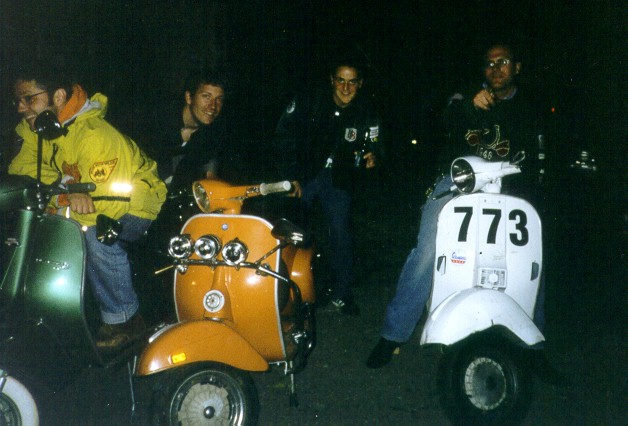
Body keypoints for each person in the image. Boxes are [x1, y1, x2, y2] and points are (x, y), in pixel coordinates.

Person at [367, 42, 546, 368]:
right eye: (489, 63)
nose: (495, 69)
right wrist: (469, 108)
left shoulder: (530, 106)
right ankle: (393, 334)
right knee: (426, 250)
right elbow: (444, 117)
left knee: (531, 253)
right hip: (458, 180)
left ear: (517, 67)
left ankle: (534, 346)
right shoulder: (467, 96)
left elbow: (535, 157)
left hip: (508, 187)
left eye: (503, 62)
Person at [8, 66, 167, 348]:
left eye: (29, 99)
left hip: (135, 203)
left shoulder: (95, 135)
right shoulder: (40, 128)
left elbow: (108, 206)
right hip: (95, 200)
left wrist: (61, 200)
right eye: (18, 100)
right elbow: (21, 170)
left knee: (97, 235)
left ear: (58, 96)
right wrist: (64, 186)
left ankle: (125, 320)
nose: (21, 107)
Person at [272, 55, 383, 315]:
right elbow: (283, 136)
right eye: (340, 81)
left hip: (339, 179)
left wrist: (374, 156)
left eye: (352, 82)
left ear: (360, 83)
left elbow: (377, 144)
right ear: (332, 80)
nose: (346, 88)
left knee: (341, 233)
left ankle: (342, 294)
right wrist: (290, 177)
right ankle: (281, 294)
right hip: (304, 174)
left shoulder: (367, 111)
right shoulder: (309, 102)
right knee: (291, 229)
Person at [148, 68, 229, 193]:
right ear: (189, 97)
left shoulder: (212, 135)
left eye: (219, 99)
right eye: (206, 96)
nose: (213, 106)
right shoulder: (158, 119)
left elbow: (210, 177)